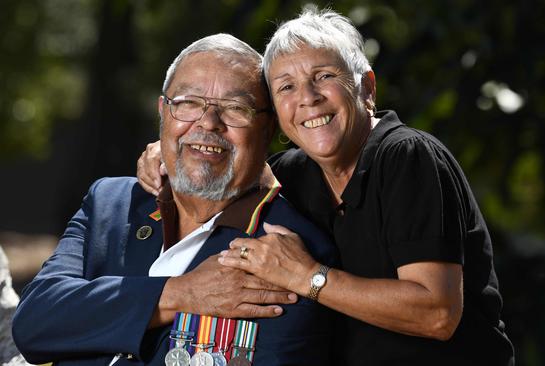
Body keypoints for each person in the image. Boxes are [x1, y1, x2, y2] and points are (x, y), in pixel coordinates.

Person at [138, 7, 515, 365]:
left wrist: (308, 277)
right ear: (276, 116)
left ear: (366, 87)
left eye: (324, 77)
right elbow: (227, 169)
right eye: (286, 87)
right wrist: (168, 155)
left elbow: (437, 314)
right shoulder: (296, 172)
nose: (307, 98)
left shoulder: (407, 156)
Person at [12, 34, 338, 366]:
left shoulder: (292, 256)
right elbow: (33, 325)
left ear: (268, 128)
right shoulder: (110, 202)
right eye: (188, 102)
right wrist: (178, 294)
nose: (208, 123)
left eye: (235, 109)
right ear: (164, 112)